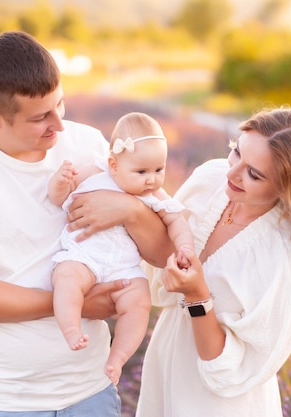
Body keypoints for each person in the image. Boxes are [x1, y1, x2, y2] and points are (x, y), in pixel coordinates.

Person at [0, 31, 172, 416]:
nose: (60, 125)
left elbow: (161, 252)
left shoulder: (89, 144)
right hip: (0, 400)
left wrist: (130, 211)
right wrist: (79, 304)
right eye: (41, 118)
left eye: (61, 105)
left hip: (90, 392)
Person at [134, 106, 291, 417]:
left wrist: (197, 295)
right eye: (236, 153)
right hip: (165, 370)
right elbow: (158, 284)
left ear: (288, 187)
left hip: (220, 404)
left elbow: (230, 373)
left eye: (254, 174)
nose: (232, 173)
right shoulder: (210, 180)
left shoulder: (289, 255)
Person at [48, 112, 194, 385]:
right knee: (66, 279)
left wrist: (185, 246)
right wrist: (61, 182)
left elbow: (176, 221)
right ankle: (70, 329)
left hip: (123, 267)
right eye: (141, 172)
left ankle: (118, 357)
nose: (151, 180)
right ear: (113, 164)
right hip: (84, 255)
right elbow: (59, 199)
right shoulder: (94, 173)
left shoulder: (153, 195)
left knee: (139, 303)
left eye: (159, 170)